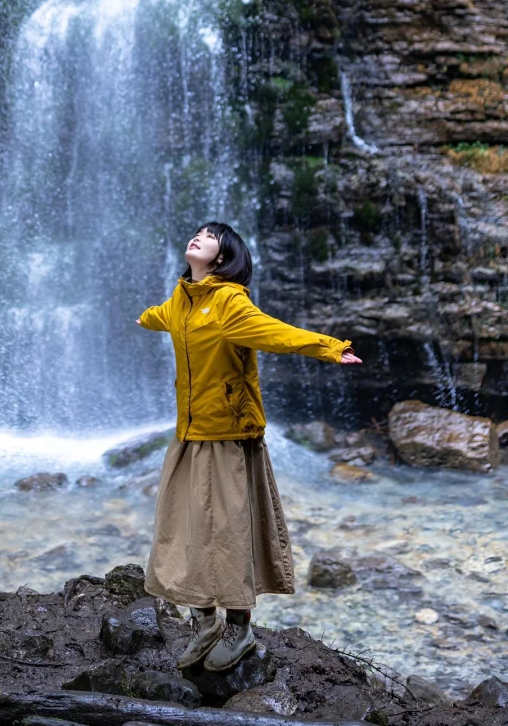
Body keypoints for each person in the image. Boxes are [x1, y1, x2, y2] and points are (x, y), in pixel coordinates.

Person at [137, 222, 361, 672]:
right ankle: (204, 624)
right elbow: (163, 315)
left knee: (229, 534)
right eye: (197, 232)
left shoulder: (229, 302)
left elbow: (274, 332)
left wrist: (329, 347)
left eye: (210, 235)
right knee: (184, 532)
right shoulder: (182, 300)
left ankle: (239, 628)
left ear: (222, 257)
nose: (198, 237)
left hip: (229, 437)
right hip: (189, 436)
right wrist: (147, 317)